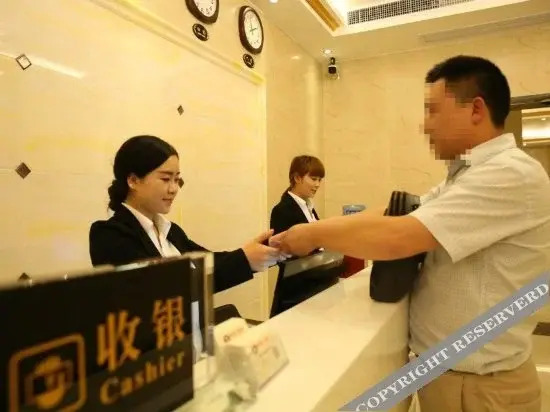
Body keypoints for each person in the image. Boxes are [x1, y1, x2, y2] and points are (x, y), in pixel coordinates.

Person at [273, 56, 550, 411]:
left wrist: (313, 236)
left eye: (433, 110)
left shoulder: (509, 173)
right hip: (455, 380)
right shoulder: (465, 176)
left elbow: (399, 236)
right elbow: (394, 214)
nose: (425, 124)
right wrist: (314, 230)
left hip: (480, 389)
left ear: (475, 109)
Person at [89, 135, 282, 293]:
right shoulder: (108, 234)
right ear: (133, 180)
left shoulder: (170, 231)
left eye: (177, 180)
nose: (174, 189)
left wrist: (258, 251)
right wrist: (244, 258)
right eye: (166, 179)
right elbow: (163, 287)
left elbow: (208, 262)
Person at [270, 155, 325, 236]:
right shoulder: (282, 210)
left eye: (319, 180)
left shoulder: (308, 206)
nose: (317, 184)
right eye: (313, 179)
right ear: (297, 178)